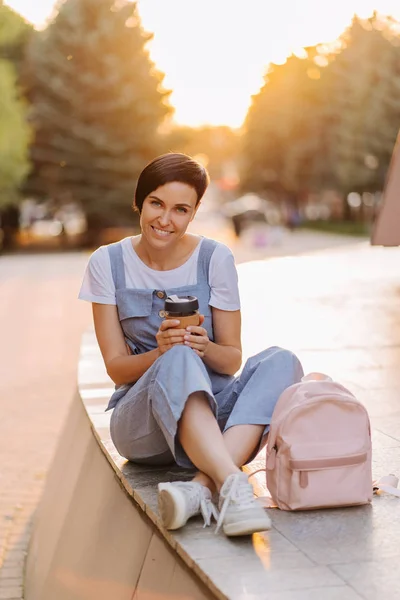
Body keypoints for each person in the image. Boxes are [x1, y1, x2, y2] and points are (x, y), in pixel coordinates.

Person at [78, 153, 304, 537]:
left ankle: (201, 488)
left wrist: (204, 347)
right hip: (142, 423)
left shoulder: (215, 258)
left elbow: (230, 360)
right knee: (179, 354)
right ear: (140, 200)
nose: (166, 220)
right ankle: (233, 483)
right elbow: (115, 367)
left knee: (283, 361)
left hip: (209, 412)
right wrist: (163, 353)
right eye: (156, 204)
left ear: (194, 212)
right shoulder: (107, 262)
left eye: (180, 209)